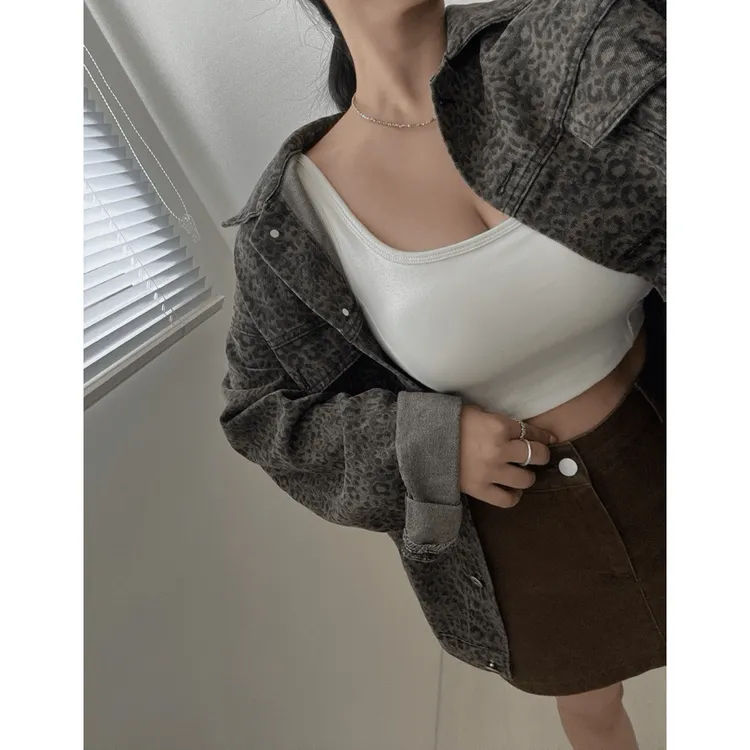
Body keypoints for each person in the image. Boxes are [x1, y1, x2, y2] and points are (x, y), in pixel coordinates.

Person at [220, 1, 666, 748]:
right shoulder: (292, 223)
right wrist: (425, 444)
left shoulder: (574, 42)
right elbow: (258, 414)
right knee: (592, 709)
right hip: (528, 530)